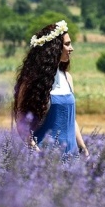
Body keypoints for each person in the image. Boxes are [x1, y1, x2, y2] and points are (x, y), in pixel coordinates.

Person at [13, 20, 89, 157]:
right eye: (67, 44)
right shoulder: (31, 82)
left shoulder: (67, 78)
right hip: (44, 157)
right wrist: (37, 154)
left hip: (72, 156)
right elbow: (21, 123)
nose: (71, 48)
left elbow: (71, 120)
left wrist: (83, 148)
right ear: (54, 48)